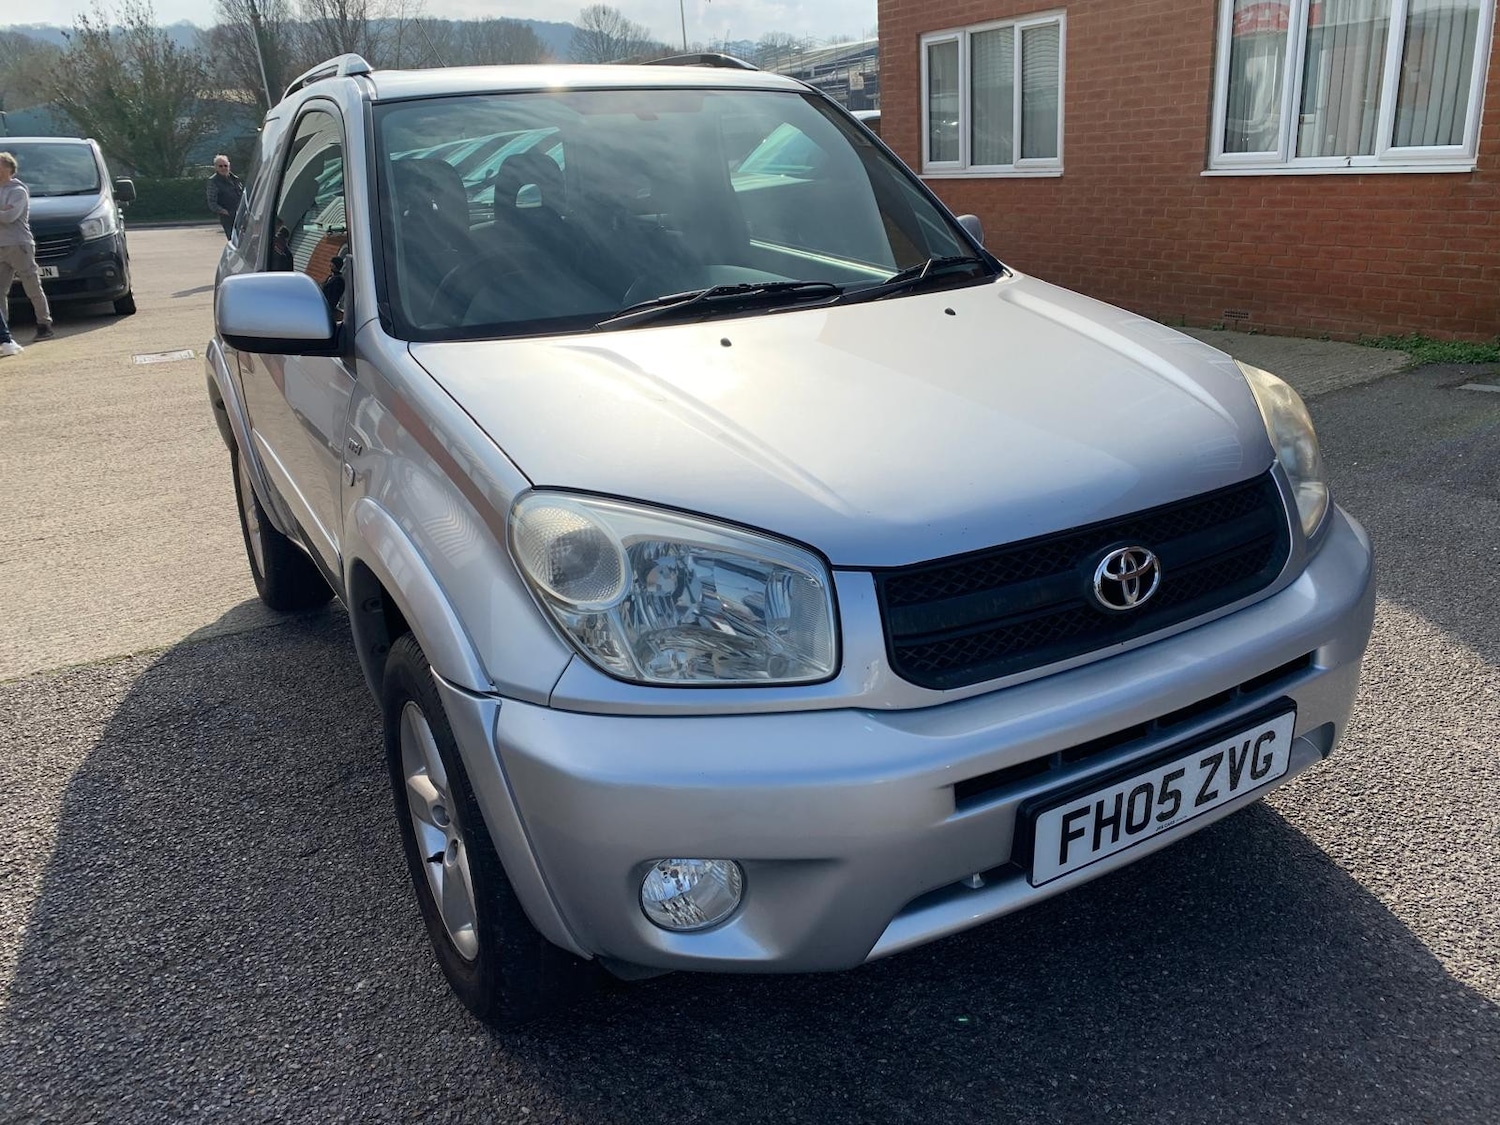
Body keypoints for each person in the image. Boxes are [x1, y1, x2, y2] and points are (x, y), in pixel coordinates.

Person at [0, 151, 55, 342]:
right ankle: (3, 332)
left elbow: (10, 217)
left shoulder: (18, 190)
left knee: (31, 286)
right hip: (1, 246)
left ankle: (44, 324)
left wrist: (5, 212)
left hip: (19, 244)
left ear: (8, 168)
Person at [207, 154, 244, 238]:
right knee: (234, 240)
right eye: (220, 166)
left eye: (225, 165)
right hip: (228, 218)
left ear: (229, 166)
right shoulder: (213, 182)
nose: (223, 168)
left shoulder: (235, 179)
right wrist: (224, 212)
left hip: (241, 215)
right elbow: (212, 203)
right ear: (216, 167)